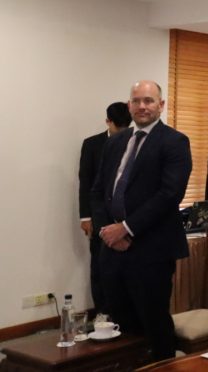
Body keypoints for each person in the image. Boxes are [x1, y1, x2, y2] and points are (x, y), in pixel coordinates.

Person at [91, 81, 192, 360]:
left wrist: (126, 229)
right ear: (129, 106)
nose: (142, 106)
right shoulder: (115, 142)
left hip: (151, 251)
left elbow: (169, 194)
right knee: (119, 326)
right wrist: (107, 231)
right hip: (111, 250)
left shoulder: (175, 142)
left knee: (153, 323)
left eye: (149, 100)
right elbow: (98, 192)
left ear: (161, 105)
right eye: (136, 101)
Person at [79, 101, 131, 315]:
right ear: (108, 122)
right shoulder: (92, 144)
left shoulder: (134, 142)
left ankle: (123, 314)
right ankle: (102, 312)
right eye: (118, 127)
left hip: (125, 217)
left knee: (125, 269)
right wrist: (85, 217)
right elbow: (86, 181)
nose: (122, 132)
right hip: (99, 215)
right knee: (99, 267)